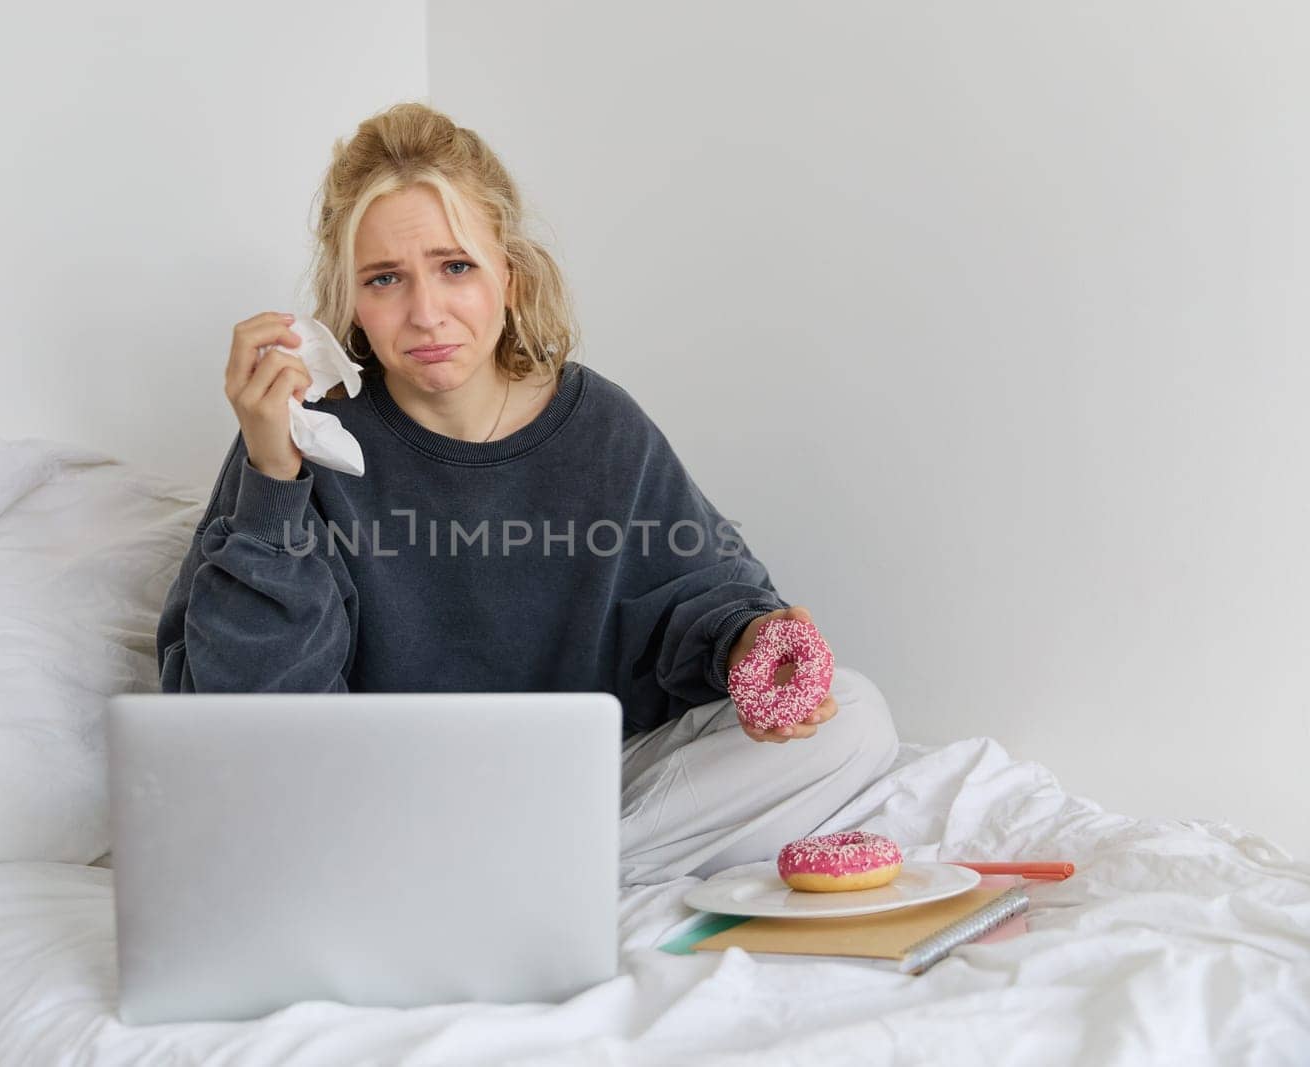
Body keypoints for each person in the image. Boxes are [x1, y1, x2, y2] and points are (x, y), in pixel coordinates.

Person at [155, 102, 899, 885]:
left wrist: (753, 647)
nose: (426, 312)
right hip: (386, 805)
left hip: (574, 797)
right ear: (350, 304)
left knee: (855, 716)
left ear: (507, 275)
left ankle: (505, 880)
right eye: (385, 279)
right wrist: (273, 480)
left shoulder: (602, 427)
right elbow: (249, 720)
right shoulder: (299, 436)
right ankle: (519, 879)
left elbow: (703, 597)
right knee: (267, 803)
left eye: (455, 266)